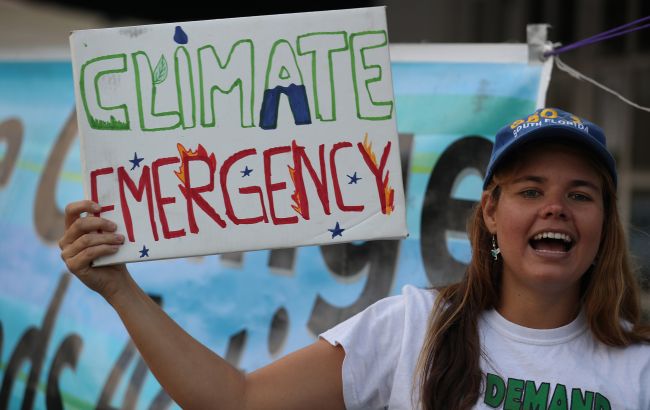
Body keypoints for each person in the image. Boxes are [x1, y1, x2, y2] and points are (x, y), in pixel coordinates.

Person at [60, 108, 650, 409]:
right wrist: (121, 291)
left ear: (604, 222)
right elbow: (236, 401)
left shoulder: (639, 366)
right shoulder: (415, 328)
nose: (556, 208)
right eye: (530, 190)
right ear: (490, 213)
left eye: (580, 195)